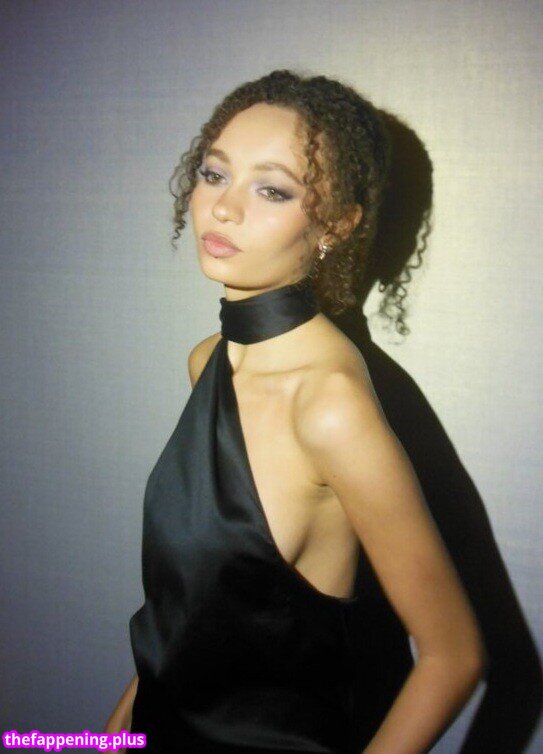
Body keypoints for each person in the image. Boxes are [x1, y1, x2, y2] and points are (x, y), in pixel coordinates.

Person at [104, 69, 487, 753]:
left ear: (335, 224)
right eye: (214, 174)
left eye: (272, 189)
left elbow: (452, 656)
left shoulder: (328, 405)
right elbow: (199, 610)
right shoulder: (208, 361)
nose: (223, 208)